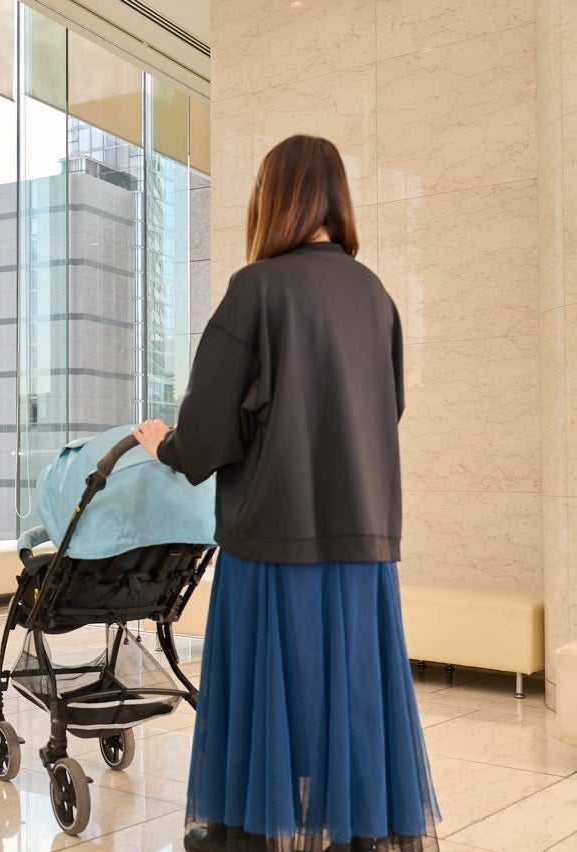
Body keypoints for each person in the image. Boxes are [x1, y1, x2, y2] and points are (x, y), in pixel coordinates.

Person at [132, 135, 439, 852]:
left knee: (267, 703)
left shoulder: (257, 290)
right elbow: (385, 410)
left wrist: (161, 443)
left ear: (272, 200)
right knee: (351, 704)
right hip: (364, 545)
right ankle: (354, 836)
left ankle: (252, 835)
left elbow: (207, 438)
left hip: (273, 543)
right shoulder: (376, 296)